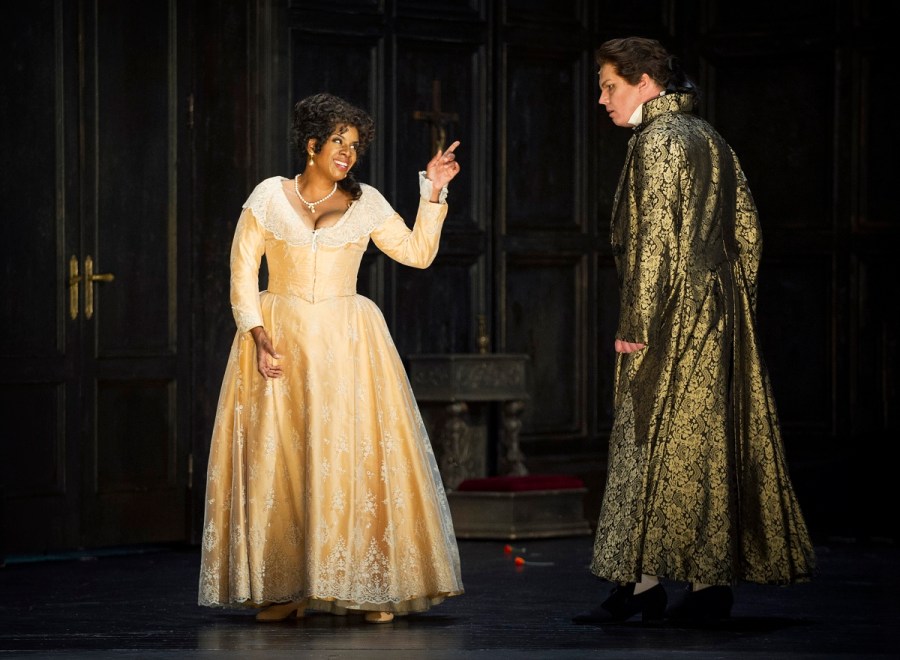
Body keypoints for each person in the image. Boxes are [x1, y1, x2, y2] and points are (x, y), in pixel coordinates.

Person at [573, 37, 816, 626]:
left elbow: (654, 240)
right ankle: (706, 586)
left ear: (645, 83)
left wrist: (637, 320)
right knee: (703, 444)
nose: (602, 99)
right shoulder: (709, 137)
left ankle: (641, 585)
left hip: (669, 315)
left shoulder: (657, 141)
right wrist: (733, 304)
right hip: (717, 313)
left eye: (609, 86)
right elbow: (749, 232)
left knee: (646, 437)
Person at [198, 92, 464, 624]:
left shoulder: (366, 203)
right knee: (282, 461)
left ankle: (368, 586)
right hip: (281, 339)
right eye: (339, 141)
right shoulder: (269, 196)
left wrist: (433, 191)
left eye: (355, 145)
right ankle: (287, 585)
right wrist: (256, 332)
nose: (348, 153)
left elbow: (417, 253)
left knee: (351, 457)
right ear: (312, 143)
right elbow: (242, 269)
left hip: (348, 344)